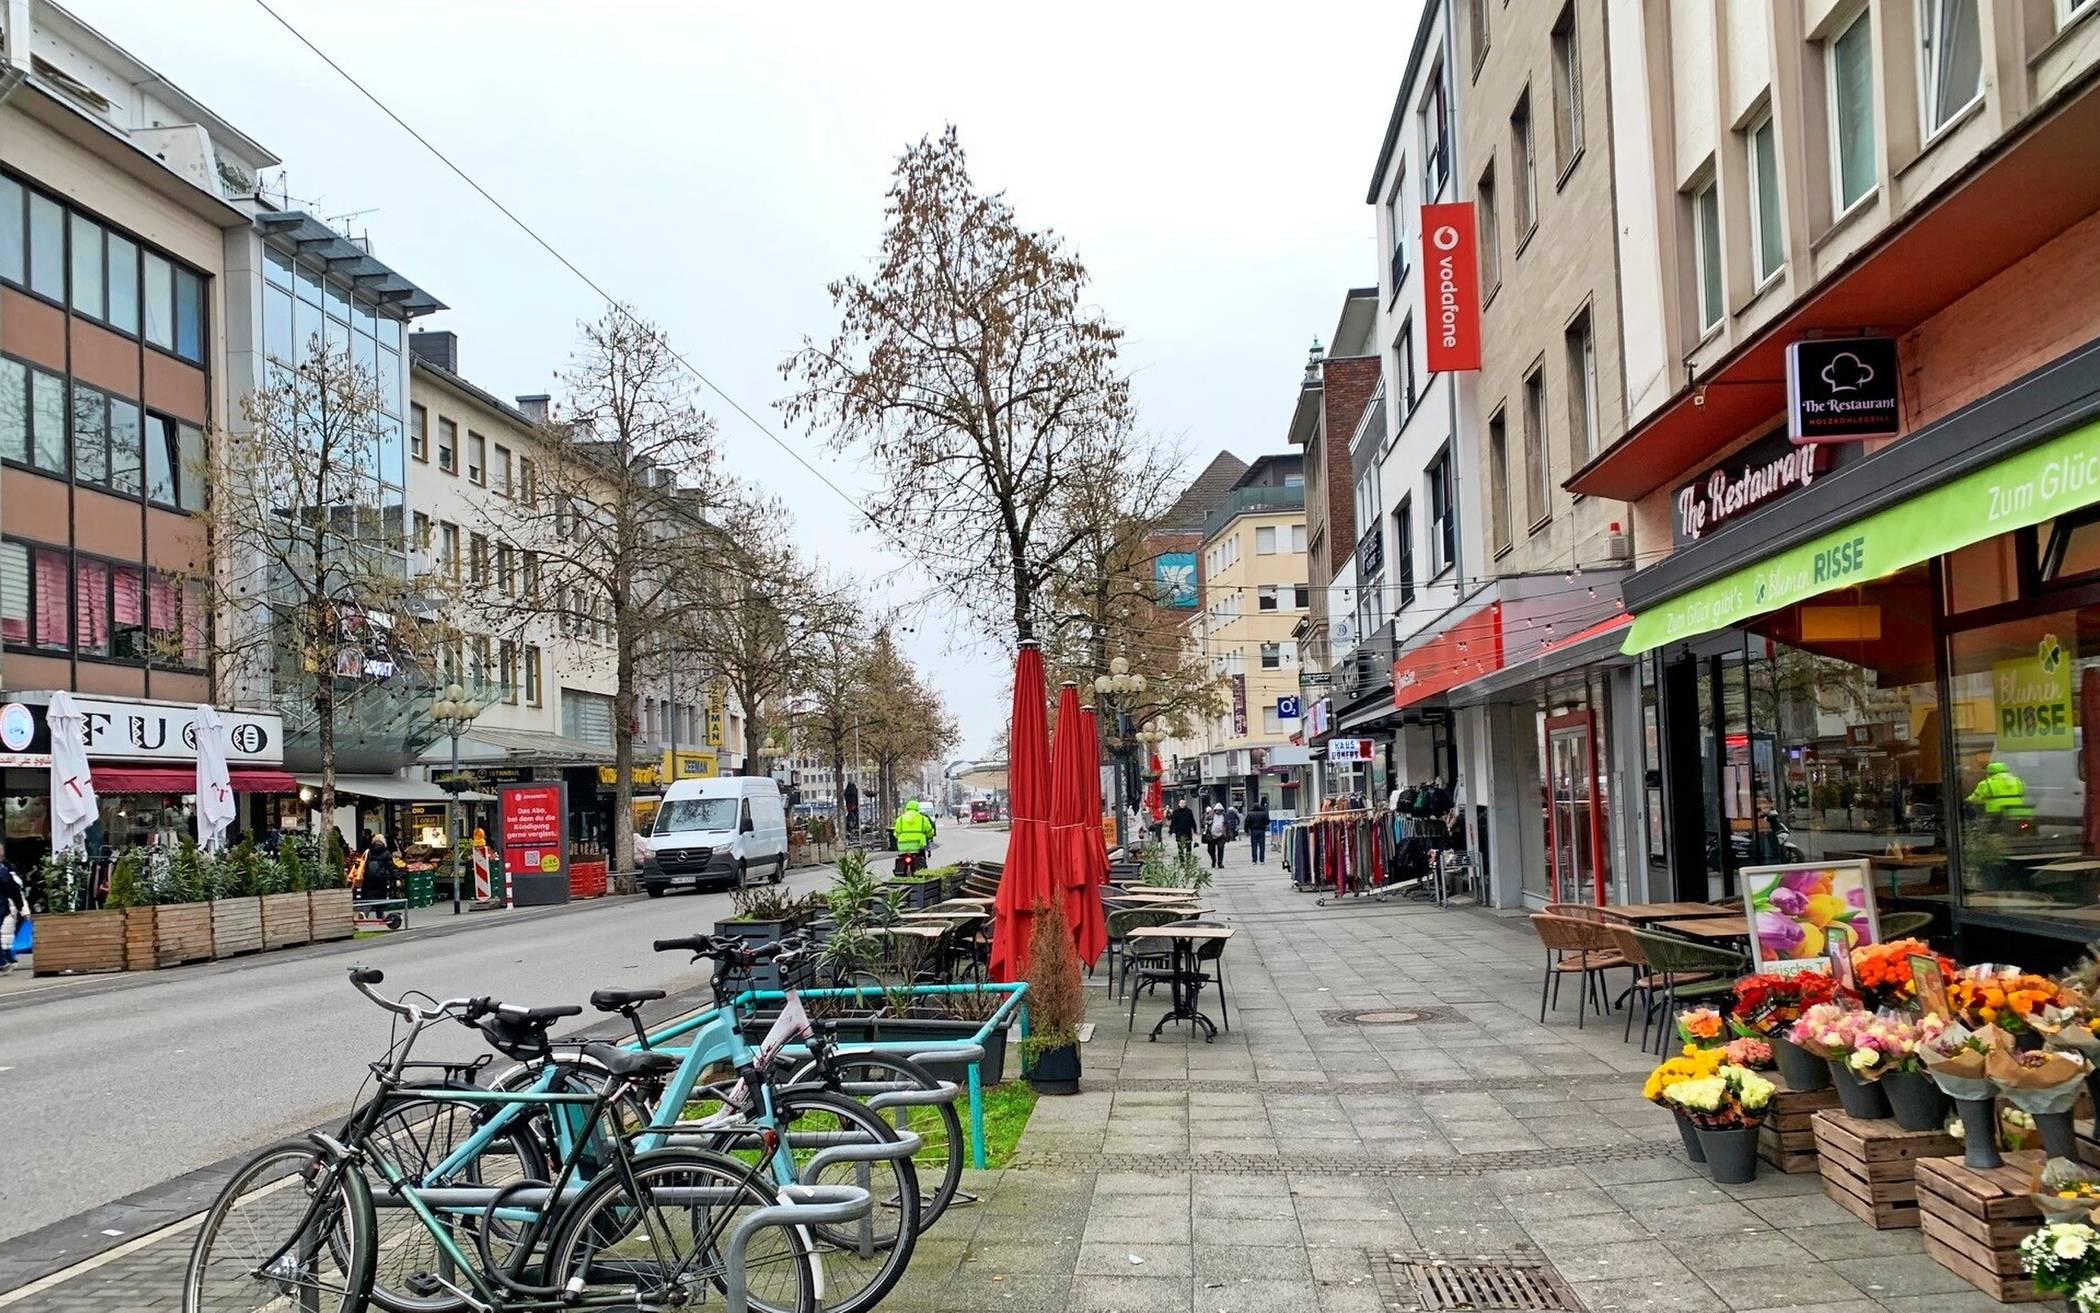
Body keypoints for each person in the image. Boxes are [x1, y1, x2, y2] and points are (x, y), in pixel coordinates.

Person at [893, 799, 936, 868]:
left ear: (906, 808)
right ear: (917, 808)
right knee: (921, 859)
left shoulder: (900, 819)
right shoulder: (923, 819)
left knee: (901, 858)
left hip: (903, 846)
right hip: (918, 845)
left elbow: (896, 833)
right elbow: (929, 831)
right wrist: (930, 835)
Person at [0, 857, 26, 973]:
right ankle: (3, 961)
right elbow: (14, 890)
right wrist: (21, 907)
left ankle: (3, 961)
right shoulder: (2, 871)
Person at [362, 834, 398, 904]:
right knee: (380, 898)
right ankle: (380, 914)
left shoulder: (368, 852)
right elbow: (390, 866)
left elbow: (365, 865)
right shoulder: (386, 853)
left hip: (369, 878)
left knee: (369, 897)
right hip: (381, 878)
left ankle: (365, 912)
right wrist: (396, 875)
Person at [1246, 797, 1271, 864]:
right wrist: (1264, 825)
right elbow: (1268, 821)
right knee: (1262, 845)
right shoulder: (1263, 813)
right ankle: (1262, 860)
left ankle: (1254, 860)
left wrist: (1247, 830)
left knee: (1254, 846)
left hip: (1253, 831)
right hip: (1261, 830)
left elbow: (1247, 823)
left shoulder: (1250, 814)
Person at [1205, 804, 1228, 869]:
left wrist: (1227, 835)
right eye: (1217, 810)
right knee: (1210, 850)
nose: (1218, 811)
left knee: (1220, 849)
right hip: (1211, 835)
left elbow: (1227, 826)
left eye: (1220, 810)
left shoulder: (1224, 817)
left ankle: (1220, 862)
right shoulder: (1211, 816)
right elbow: (1204, 822)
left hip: (1221, 835)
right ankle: (1214, 859)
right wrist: (1207, 823)